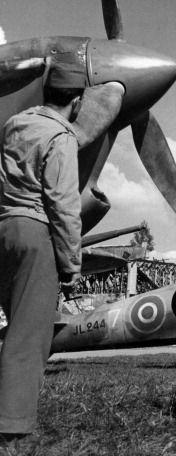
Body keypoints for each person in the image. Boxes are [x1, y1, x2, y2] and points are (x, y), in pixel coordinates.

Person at [0, 61, 88, 446]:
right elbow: (63, 203)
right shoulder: (61, 135)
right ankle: (11, 426)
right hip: (35, 233)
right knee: (28, 334)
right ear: (78, 100)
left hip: (3, 227)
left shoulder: (14, 125)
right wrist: (71, 263)